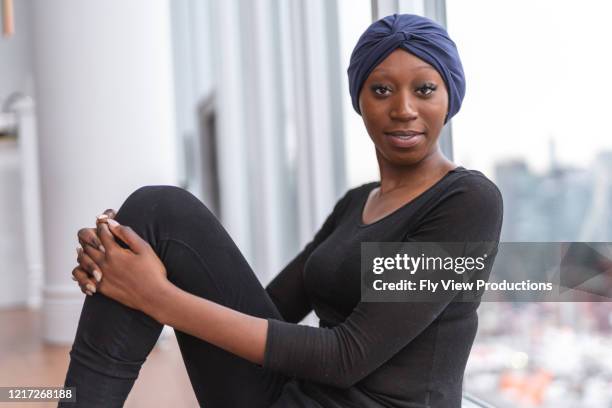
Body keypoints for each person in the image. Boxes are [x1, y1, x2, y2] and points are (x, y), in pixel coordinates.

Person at [63, 13, 503, 408]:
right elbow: (265, 311)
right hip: (293, 395)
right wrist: (121, 264)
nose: (403, 109)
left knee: (155, 221)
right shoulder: (357, 202)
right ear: (360, 100)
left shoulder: (467, 201)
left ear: (450, 97)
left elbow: (345, 358)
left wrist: (154, 296)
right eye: (382, 90)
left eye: (424, 89)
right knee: (154, 212)